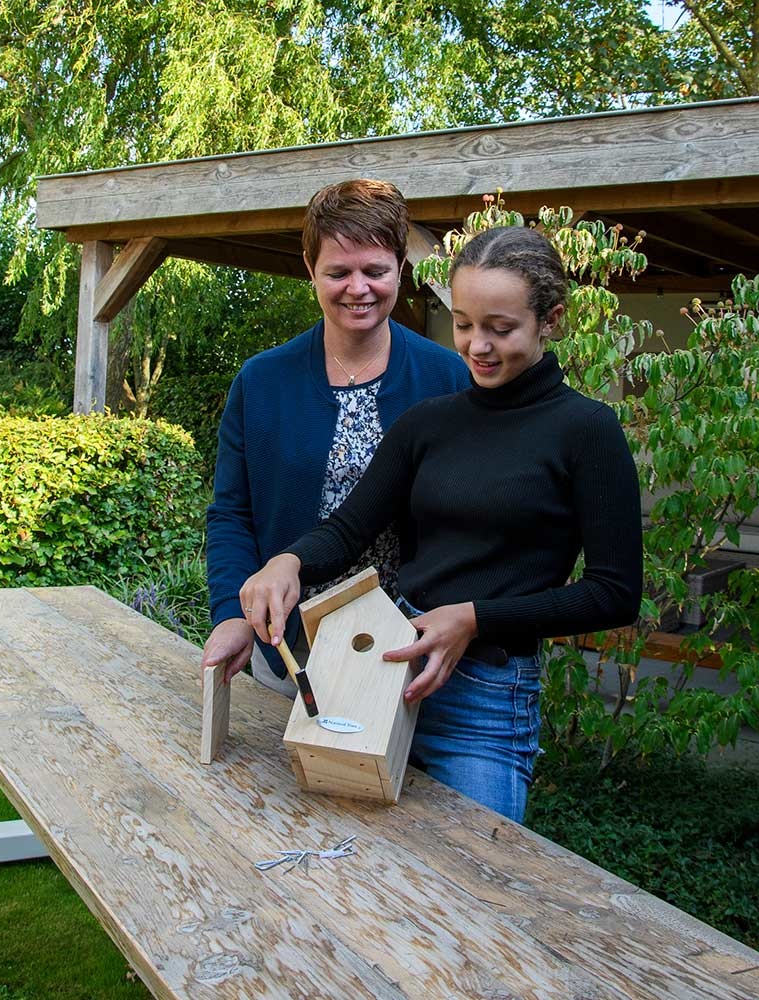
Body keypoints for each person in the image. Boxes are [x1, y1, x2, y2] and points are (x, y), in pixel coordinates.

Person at [239, 225, 643, 822]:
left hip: (485, 703)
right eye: (463, 324)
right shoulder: (428, 423)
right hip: (386, 673)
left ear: (550, 319)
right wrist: (287, 563)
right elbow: (347, 532)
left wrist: (475, 619)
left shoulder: (587, 431)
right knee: (355, 867)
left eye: (500, 329)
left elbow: (614, 594)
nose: (477, 346)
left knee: (479, 888)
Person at [201, 179, 468, 694]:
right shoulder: (261, 382)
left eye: (375, 271)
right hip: (286, 647)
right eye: (338, 272)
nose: (358, 288)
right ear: (310, 269)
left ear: (399, 265)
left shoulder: (447, 379)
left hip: (406, 647)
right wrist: (230, 614)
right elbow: (232, 513)